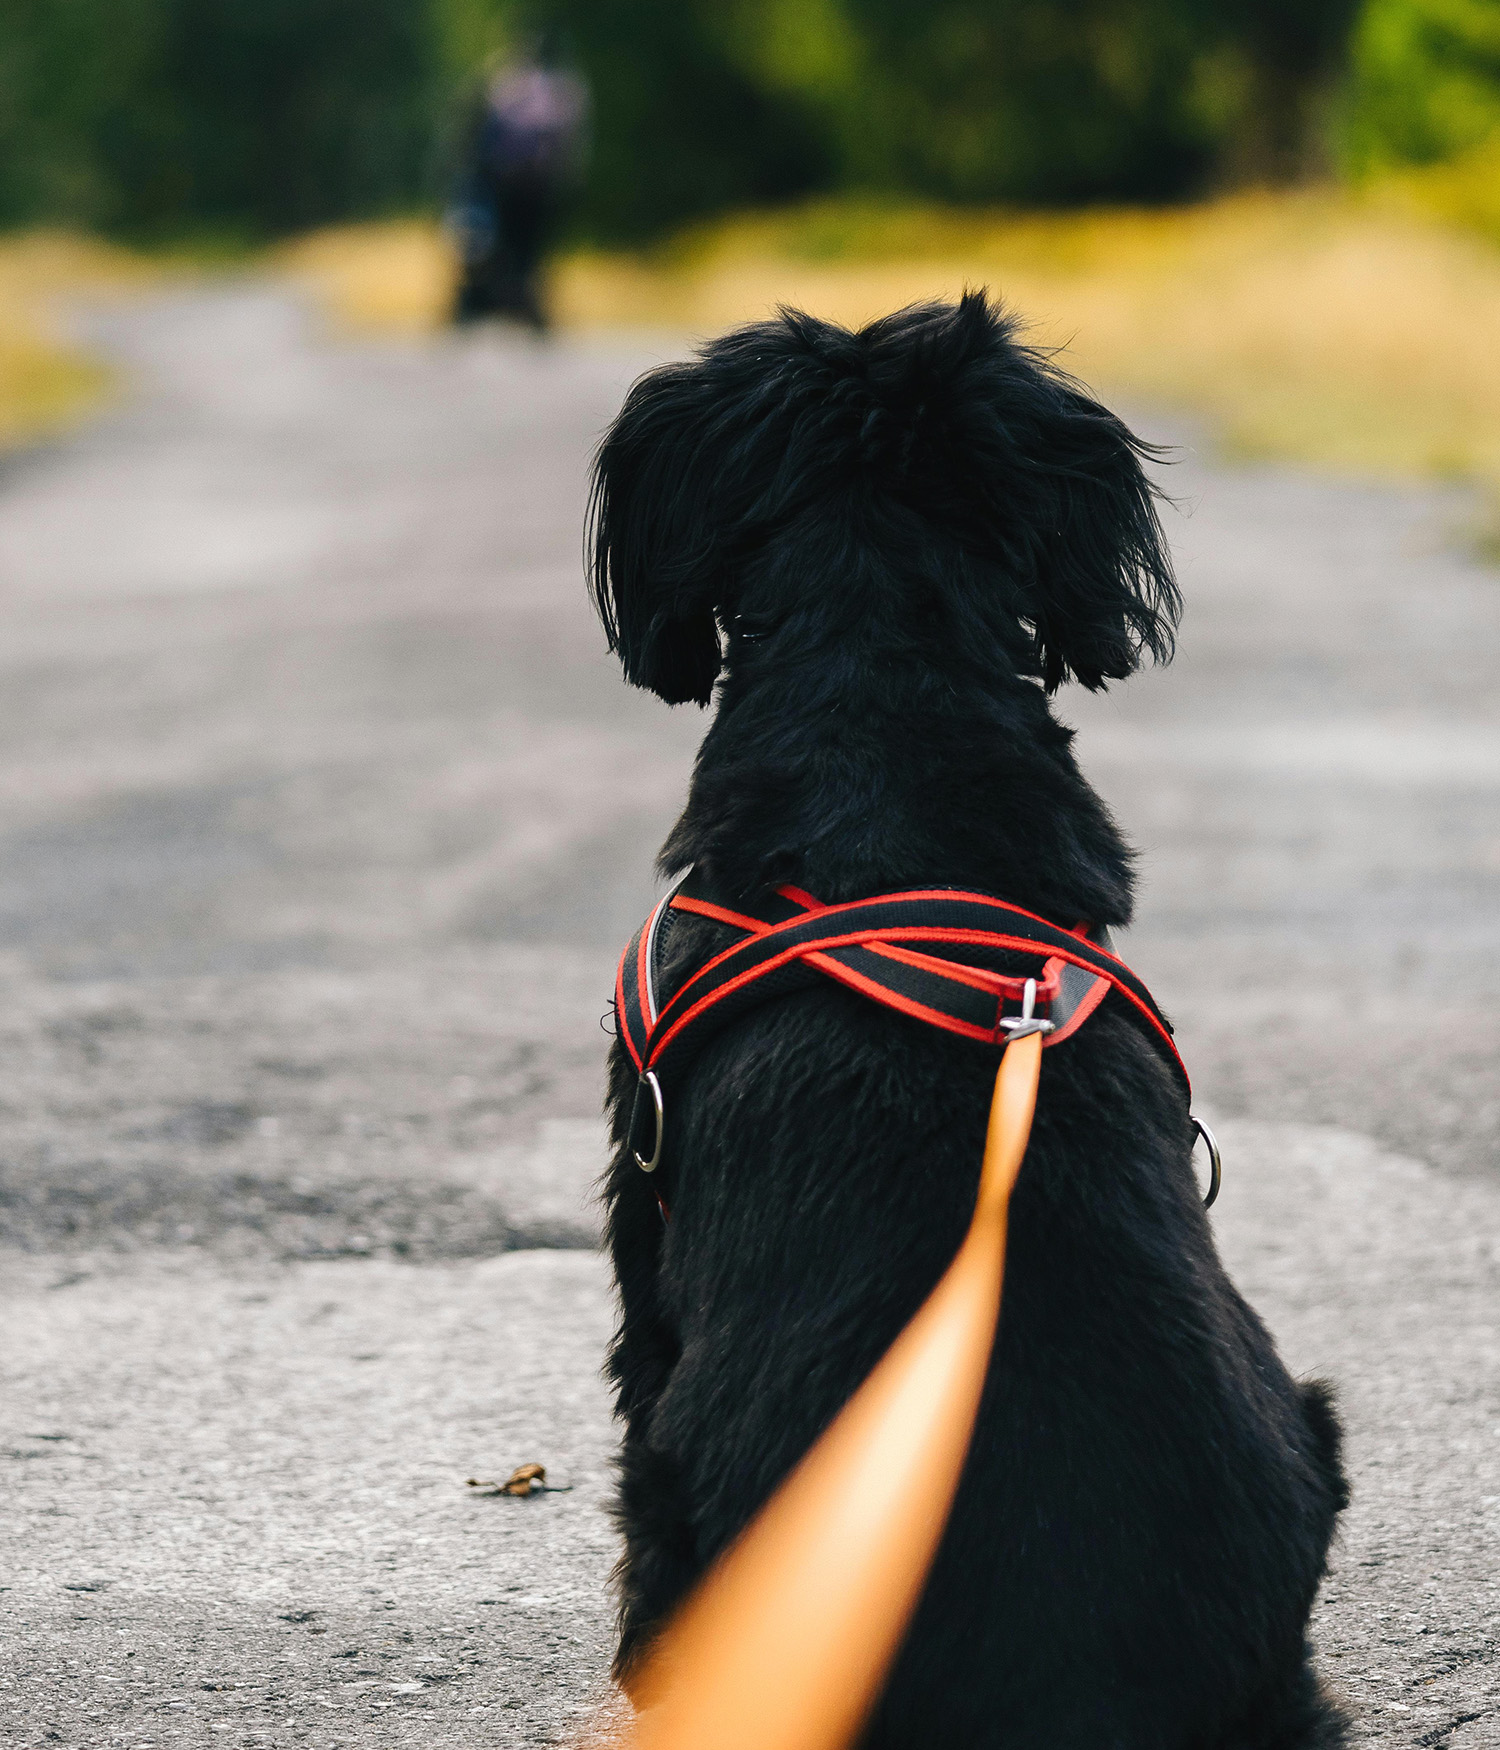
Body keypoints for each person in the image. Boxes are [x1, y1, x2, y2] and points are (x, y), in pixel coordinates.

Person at [448, 36, 588, 331]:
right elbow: (568, 141)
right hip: (538, 185)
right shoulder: (562, 91)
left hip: (505, 181)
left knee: (497, 246)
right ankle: (520, 303)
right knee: (529, 249)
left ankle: (501, 302)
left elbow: (479, 134)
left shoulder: (507, 85)